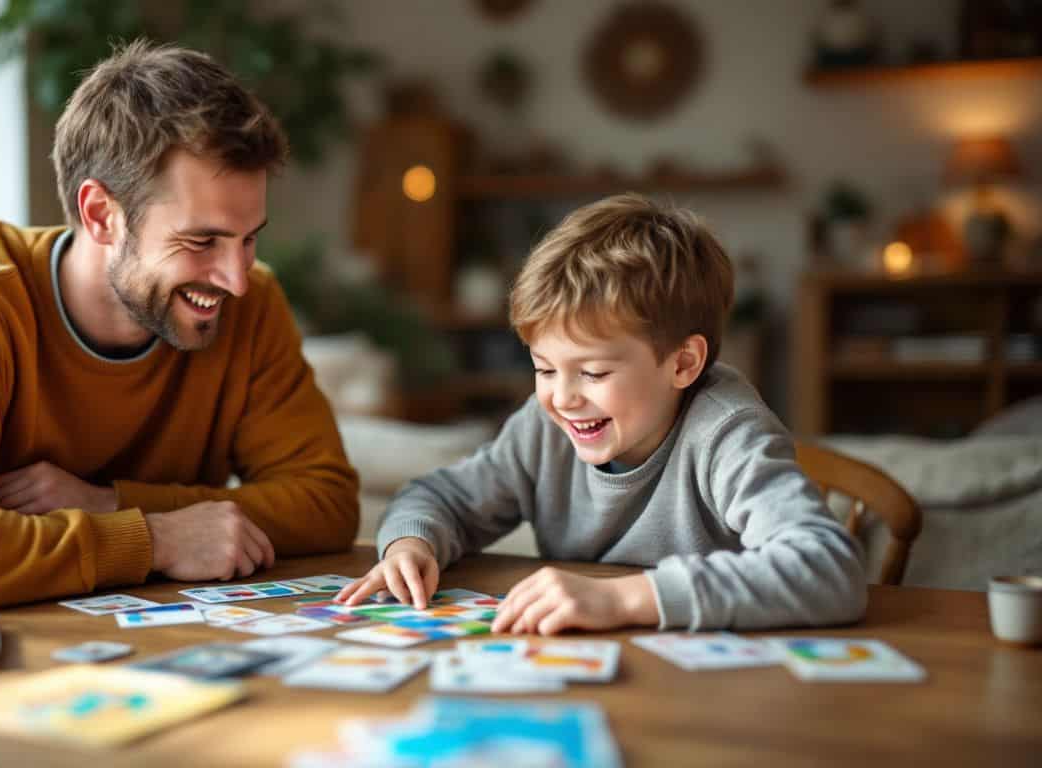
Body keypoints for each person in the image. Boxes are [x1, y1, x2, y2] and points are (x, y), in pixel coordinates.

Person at [0, 40, 359, 621]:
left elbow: (326, 502)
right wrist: (154, 539)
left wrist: (110, 503)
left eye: (249, 237)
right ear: (101, 215)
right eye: (201, 241)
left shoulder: (252, 304)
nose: (236, 279)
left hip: (136, 651)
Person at [336, 194, 865, 634]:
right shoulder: (543, 427)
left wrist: (623, 600)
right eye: (544, 370)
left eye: (592, 374)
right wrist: (412, 542)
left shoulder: (725, 432)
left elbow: (828, 569)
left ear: (682, 363)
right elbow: (439, 496)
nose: (562, 398)